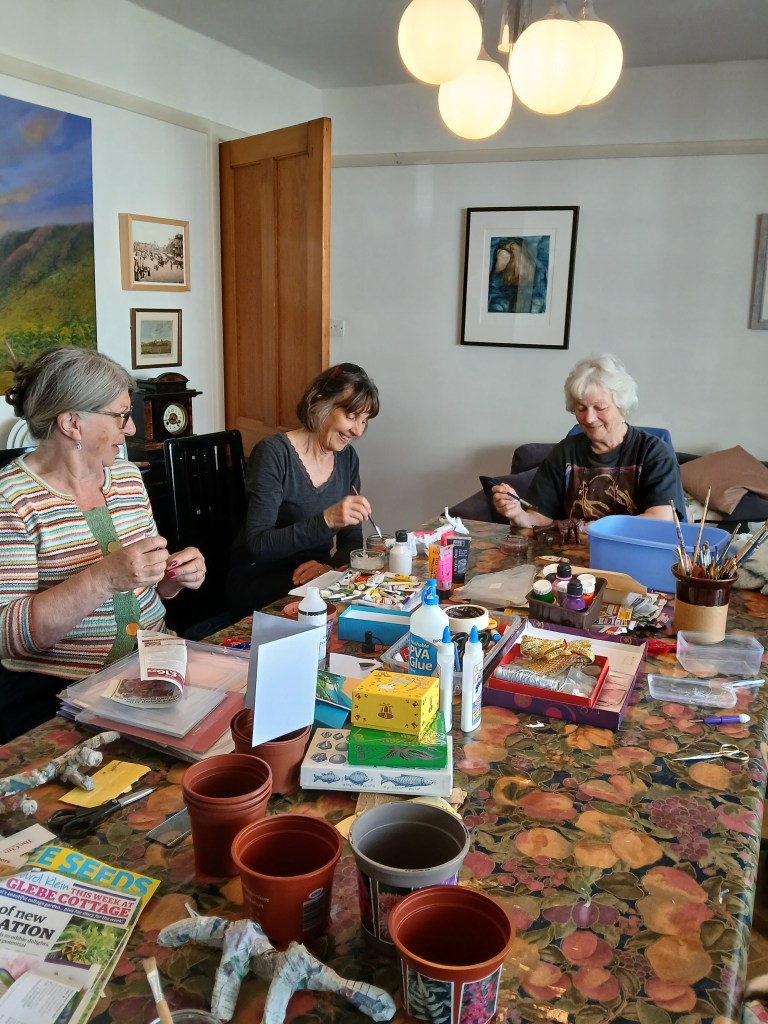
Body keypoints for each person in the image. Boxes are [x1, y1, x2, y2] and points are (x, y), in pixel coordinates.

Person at [0, 347, 207, 741]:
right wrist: (102, 579)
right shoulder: (11, 499)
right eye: (121, 416)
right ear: (72, 424)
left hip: (155, 665)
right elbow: (7, 637)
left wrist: (173, 577)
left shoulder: (127, 478)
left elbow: (148, 589)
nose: (130, 428)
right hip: (60, 694)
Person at [227, 363, 380, 617]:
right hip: (262, 578)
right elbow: (258, 545)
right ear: (319, 402)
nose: (358, 430)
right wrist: (326, 520)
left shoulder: (347, 458)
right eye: (351, 416)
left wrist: (328, 568)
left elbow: (351, 540)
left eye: (364, 421)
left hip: (314, 579)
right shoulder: (273, 454)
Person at [493, 354, 684, 527]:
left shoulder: (653, 452)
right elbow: (540, 519)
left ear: (622, 406)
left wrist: (599, 529)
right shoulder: (564, 452)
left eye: (600, 408)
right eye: (581, 408)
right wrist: (517, 514)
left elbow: (661, 519)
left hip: (631, 553)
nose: (589, 418)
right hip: (571, 553)